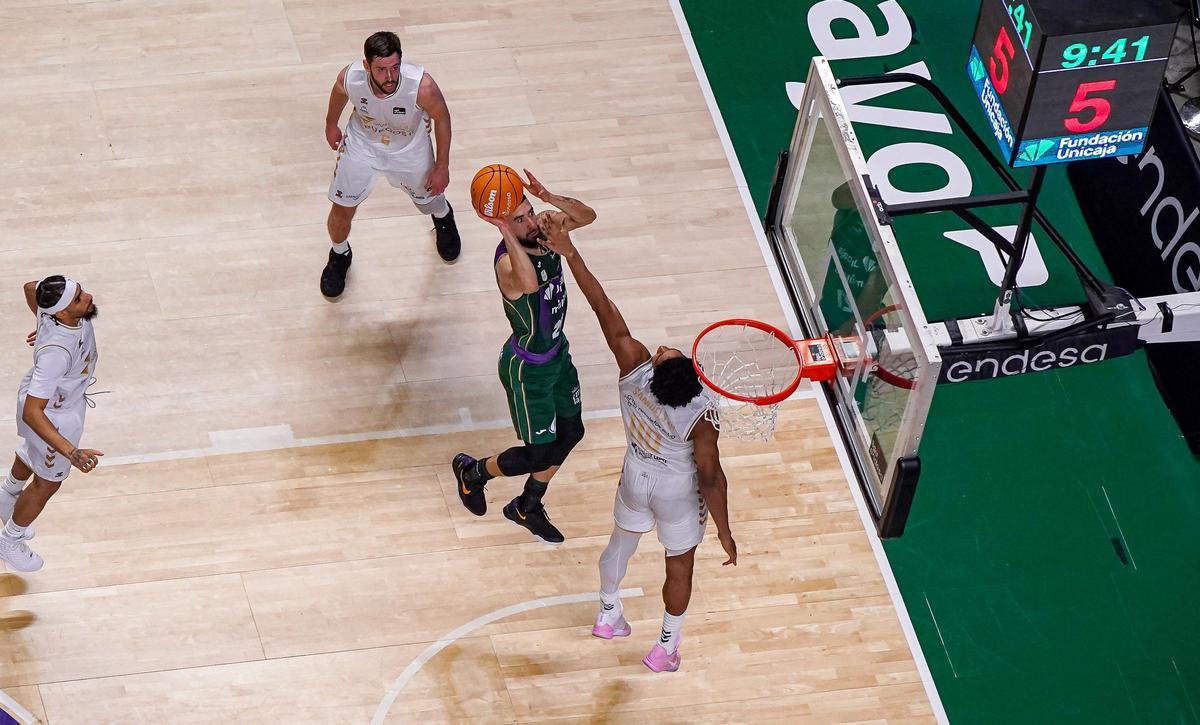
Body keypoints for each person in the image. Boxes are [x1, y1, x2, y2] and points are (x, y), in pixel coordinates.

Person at [538, 218, 737, 673]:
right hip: (675, 489)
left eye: (664, 352)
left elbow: (601, 306)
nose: (662, 347)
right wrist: (725, 532)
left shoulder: (634, 367)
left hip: (635, 473)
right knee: (679, 565)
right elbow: (711, 479)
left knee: (620, 544)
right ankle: (664, 648)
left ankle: (608, 614)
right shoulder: (702, 417)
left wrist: (570, 253)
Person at [451, 171, 596, 544]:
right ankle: (473, 472)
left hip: (558, 354)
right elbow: (529, 283)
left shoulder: (543, 232)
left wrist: (548, 196)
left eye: (530, 212)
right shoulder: (506, 265)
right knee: (539, 454)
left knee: (573, 432)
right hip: (528, 370)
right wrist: (504, 230)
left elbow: (587, 216)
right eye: (519, 219)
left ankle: (526, 506)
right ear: (503, 225)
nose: (532, 222)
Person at [320, 31, 460, 298]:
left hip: (409, 149)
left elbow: (442, 118)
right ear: (366, 66)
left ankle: (443, 216)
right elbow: (339, 91)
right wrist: (330, 123)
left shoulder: (422, 86)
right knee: (341, 207)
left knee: (428, 201)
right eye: (382, 70)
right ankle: (339, 254)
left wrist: (442, 167)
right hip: (362, 145)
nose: (390, 77)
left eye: (395, 67)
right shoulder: (350, 77)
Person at [0, 276, 104, 573]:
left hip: (55, 401)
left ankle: (7, 493)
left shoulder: (53, 315)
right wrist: (72, 452)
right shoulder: (57, 354)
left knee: (30, 451)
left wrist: (45, 324)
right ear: (61, 311)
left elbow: (30, 287)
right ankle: (9, 540)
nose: (88, 297)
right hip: (52, 415)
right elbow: (33, 413)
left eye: (80, 291)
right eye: (78, 298)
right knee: (48, 482)